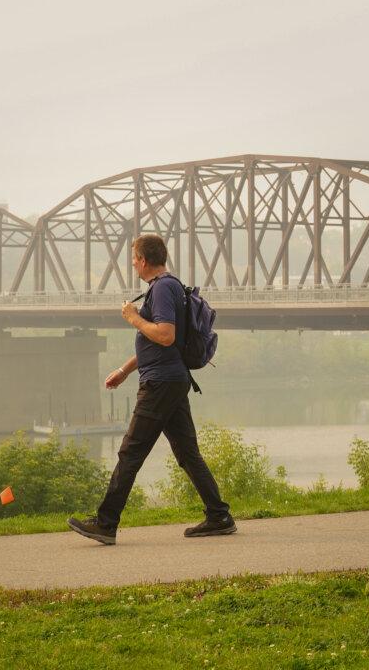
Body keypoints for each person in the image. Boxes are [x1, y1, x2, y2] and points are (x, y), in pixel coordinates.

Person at [68, 233, 234, 545]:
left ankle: (105, 523)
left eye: (134, 259)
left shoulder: (163, 288)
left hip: (161, 383)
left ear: (144, 260)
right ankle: (219, 515)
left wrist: (133, 318)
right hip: (169, 379)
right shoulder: (168, 287)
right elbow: (157, 341)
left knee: (130, 451)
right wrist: (124, 370)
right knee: (187, 453)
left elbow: (166, 336)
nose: (132, 264)